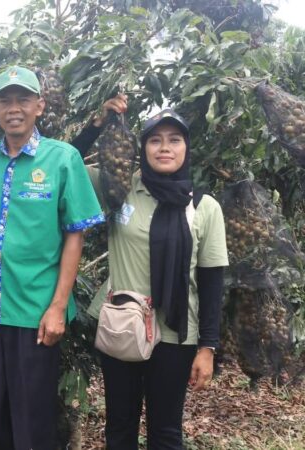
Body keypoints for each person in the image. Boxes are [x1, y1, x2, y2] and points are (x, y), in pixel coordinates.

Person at [0, 65, 104, 449]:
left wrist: (57, 307)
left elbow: (74, 236)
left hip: (36, 313)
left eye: (23, 99)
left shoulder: (62, 159)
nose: (15, 108)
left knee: (33, 422)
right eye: (6, 100)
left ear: (39, 106)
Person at [83, 109, 228, 449]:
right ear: (143, 148)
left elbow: (211, 283)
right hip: (124, 325)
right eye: (155, 140)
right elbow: (67, 164)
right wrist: (97, 124)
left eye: (174, 140)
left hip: (177, 334)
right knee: (120, 427)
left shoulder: (205, 206)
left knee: (165, 432)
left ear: (186, 148)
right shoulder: (121, 188)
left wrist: (208, 348)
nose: (165, 148)